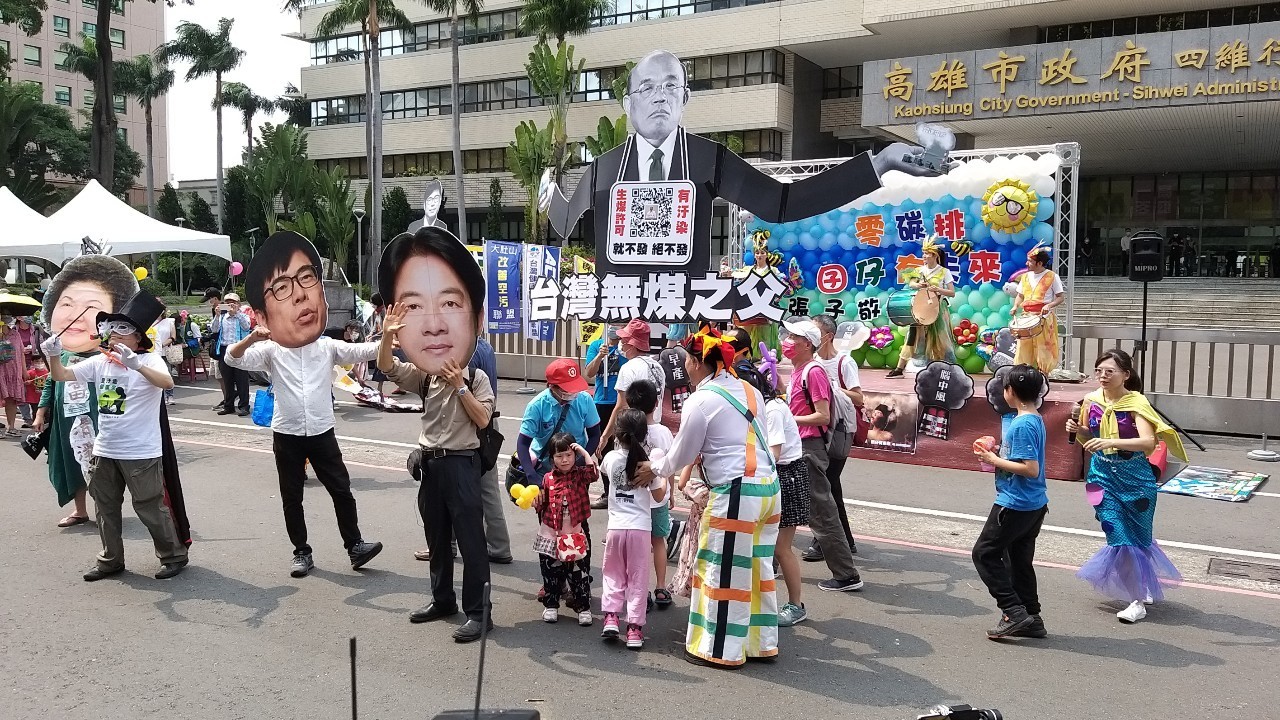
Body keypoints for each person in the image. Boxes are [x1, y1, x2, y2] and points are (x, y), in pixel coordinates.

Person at [541, 49, 935, 276]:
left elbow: (783, 203)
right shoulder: (604, 170)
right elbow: (566, 220)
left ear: (685, 99)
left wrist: (879, 163)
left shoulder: (708, 160)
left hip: (684, 323)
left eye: (670, 87)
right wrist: (552, 199)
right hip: (618, 329)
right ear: (628, 105)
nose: (659, 97)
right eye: (646, 88)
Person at [227, 230, 385, 578]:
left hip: (322, 431)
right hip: (286, 434)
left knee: (341, 489)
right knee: (292, 497)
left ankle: (355, 545)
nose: (299, 297)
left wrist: (391, 336)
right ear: (265, 313)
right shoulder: (270, 351)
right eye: (283, 289)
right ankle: (301, 552)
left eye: (307, 279)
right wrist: (252, 336)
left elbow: (364, 350)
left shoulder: (326, 347)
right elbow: (232, 358)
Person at [377, 226, 495, 643]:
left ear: (474, 320)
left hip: (462, 464)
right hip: (430, 463)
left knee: (471, 541)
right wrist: (389, 334)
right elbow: (388, 368)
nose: (434, 327)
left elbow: (483, 421)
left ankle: (479, 612)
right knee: (436, 536)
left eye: (450, 304)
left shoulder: (476, 377)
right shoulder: (425, 377)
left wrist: (461, 384)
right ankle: (441, 598)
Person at [639, 325, 780, 668]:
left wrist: (655, 467)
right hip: (768, 491)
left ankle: (719, 650)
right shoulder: (750, 391)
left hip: (735, 493)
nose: (685, 365)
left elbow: (681, 455)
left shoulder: (701, 400)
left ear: (699, 363)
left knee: (722, 570)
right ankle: (760, 644)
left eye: (688, 358)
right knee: (758, 569)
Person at [42, 290, 189, 581]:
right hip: (105, 447)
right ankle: (110, 560)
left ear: (138, 338)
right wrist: (54, 355)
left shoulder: (150, 360)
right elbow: (61, 376)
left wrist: (137, 365)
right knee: (105, 506)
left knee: (148, 506)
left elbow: (167, 382)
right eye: (112, 329)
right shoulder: (100, 363)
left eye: (124, 330)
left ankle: (173, 556)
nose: (115, 335)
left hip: (140, 451)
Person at [1068, 349, 1187, 624]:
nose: (1103, 376)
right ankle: (1136, 601)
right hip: (1102, 476)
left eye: (1109, 371)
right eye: (1099, 371)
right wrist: (1076, 429)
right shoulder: (1091, 400)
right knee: (1118, 536)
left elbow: (1148, 443)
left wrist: (1111, 442)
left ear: (1126, 375)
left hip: (1135, 477)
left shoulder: (1136, 403)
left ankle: (1141, 586)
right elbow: (1088, 435)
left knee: (1138, 538)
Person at [35, 255, 138, 527]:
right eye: (66, 303)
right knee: (70, 461)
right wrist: (41, 411)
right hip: (66, 419)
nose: (74, 314)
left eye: (91, 307)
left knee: (102, 464)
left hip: (99, 419)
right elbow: (52, 382)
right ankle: (80, 510)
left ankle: (106, 508)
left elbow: (119, 396)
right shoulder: (63, 355)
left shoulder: (111, 357)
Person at [782, 318, 864, 593]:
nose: (786, 340)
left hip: (809, 451)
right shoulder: (799, 369)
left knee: (823, 513)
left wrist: (788, 418)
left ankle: (846, 574)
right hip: (797, 449)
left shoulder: (813, 372)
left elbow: (823, 415)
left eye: (793, 337)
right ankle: (769, 563)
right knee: (782, 508)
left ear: (807, 344)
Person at [971, 364, 1050, 640]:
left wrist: (992, 460)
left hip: (1016, 502)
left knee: (984, 553)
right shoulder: (1033, 418)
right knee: (1019, 561)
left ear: (1010, 391)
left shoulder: (1023, 423)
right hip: (1033, 503)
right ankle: (1032, 617)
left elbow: (1030, 468)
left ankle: (1013, 612)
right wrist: (996, 452)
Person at [599, 408, 668, 650]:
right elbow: (659, 495)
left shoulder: (610, 459)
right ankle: (635, 630)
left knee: (613, 573)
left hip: (616, 527)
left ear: (618, 435)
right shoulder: (648, 465)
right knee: (637, 579)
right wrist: (662, 476)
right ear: (643, 434)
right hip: (640, 529)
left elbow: (603, 469)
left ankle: (610, 617)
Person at [749, 356, 810, 627]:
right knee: (767, 545)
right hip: (781, 475)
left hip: (786, 476)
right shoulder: (770, 405)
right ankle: (763, 599)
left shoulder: (772, 409)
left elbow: (773, 454)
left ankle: (796, 605)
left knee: (782, 548)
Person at [805, 314, 863, 561]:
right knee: (829, 487)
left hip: (839, 430)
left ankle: (823, 541)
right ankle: (844, 540)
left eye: (815, 332)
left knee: (824, 486)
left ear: (828, 336)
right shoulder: (811, 361)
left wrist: (831, 389)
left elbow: (859, 398)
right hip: (817, 432)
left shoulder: (844, 362)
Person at [595, 319, 665, 507]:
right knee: (655, 488)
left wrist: (605, 436)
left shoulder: (629, 368)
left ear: (632, 343)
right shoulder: (658, 367)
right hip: (655, 429)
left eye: (625, 340)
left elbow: (620, 407)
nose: (622, 344)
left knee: (630, 490)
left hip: (635, 432)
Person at [535, 433, 598, 627]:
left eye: (569, 455)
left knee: (578, 573)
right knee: (550, 573)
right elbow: (542, 504)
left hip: (573, 535)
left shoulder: (580, 475)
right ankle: (551, 604)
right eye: (559, 456)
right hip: (550, 533)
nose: (565, 460)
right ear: (551, 458)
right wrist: (534, 502)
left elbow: (593, 473)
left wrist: (582, 451)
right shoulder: (547, 478)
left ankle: (583, 606)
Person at [623, 379, 675, 610]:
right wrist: (670, 493)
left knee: (640, 546)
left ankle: (640, 590)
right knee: (659, 541)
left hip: (635, 501)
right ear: (656, 404)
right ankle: (661, 586)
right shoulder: (663, 432)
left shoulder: (626, 430)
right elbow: (670, 465)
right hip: (659, 498)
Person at [517, 358, 601, 490]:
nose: (573, 393)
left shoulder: (584, 399)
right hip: (546, 467)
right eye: (568, 389)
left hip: (577, 465)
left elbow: (595, 435)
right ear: (552, 387)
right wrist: (531, 474)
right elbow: (523, 443)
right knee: (549, 509)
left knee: (577, 507)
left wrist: (578, 463)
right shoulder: (537, 406)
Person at [888, 237, 957, 378]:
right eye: (923, 253)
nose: (924, 256)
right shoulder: (919, 270)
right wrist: (918, 285)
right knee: (912, 336)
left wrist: (938, 289)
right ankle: (899, 368)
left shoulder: (944, 272)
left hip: (937, 309)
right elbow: (911, 283)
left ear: (935, 255)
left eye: (927, 253)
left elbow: (952, 292)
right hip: (920, 308)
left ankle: (948, 369)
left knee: (940, 338)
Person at [1011, 245, 1066, 375]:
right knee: (1023, 347)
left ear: (1040, 263)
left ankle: (1043, 375)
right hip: (1026, 317)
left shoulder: (1052, 276)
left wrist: (1049, 305)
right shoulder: (1025, 277)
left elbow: (1060, 297)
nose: (1027, 263)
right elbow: (1020, 295)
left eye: (1030, 261)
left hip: (1043, 317)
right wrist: (1015, 306)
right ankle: (1023, 374)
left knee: (1044, 348)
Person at [212, 292, 252, 416]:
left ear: (239, 304)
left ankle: (244, 406)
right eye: (227, 302)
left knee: (241, 379)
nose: (230, 304)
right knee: (227, 379)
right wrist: (217, 315)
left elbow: (247, 327)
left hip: (238, 349)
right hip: (224, 349)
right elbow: (214, 329)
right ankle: (228, 405)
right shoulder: (222, 317)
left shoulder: (242, 316)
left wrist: (237, 314)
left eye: (233, 302)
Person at [584, 324, 623, 431]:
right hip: (602, 400)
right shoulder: (596, 345)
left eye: (619, 324)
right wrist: (599, 356)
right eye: (612, 324)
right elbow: (589, 373)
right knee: (601, 438)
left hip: (622, 401)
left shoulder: (627, 347)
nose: (614, 327)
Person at [0, 315, 27, 436]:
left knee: (11, 400)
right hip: (1, 371)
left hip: (14, 372)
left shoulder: (15, 335)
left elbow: (21, 353)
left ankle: (11, 427)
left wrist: (24, 371)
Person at [149, 309, 178, 405]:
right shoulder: (148, 321)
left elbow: (173, 337)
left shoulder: (169, 321)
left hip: (165, 352)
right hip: (151, 353)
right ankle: (157, 397)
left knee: (167, 374)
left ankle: (170, 395)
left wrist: (162, 344)